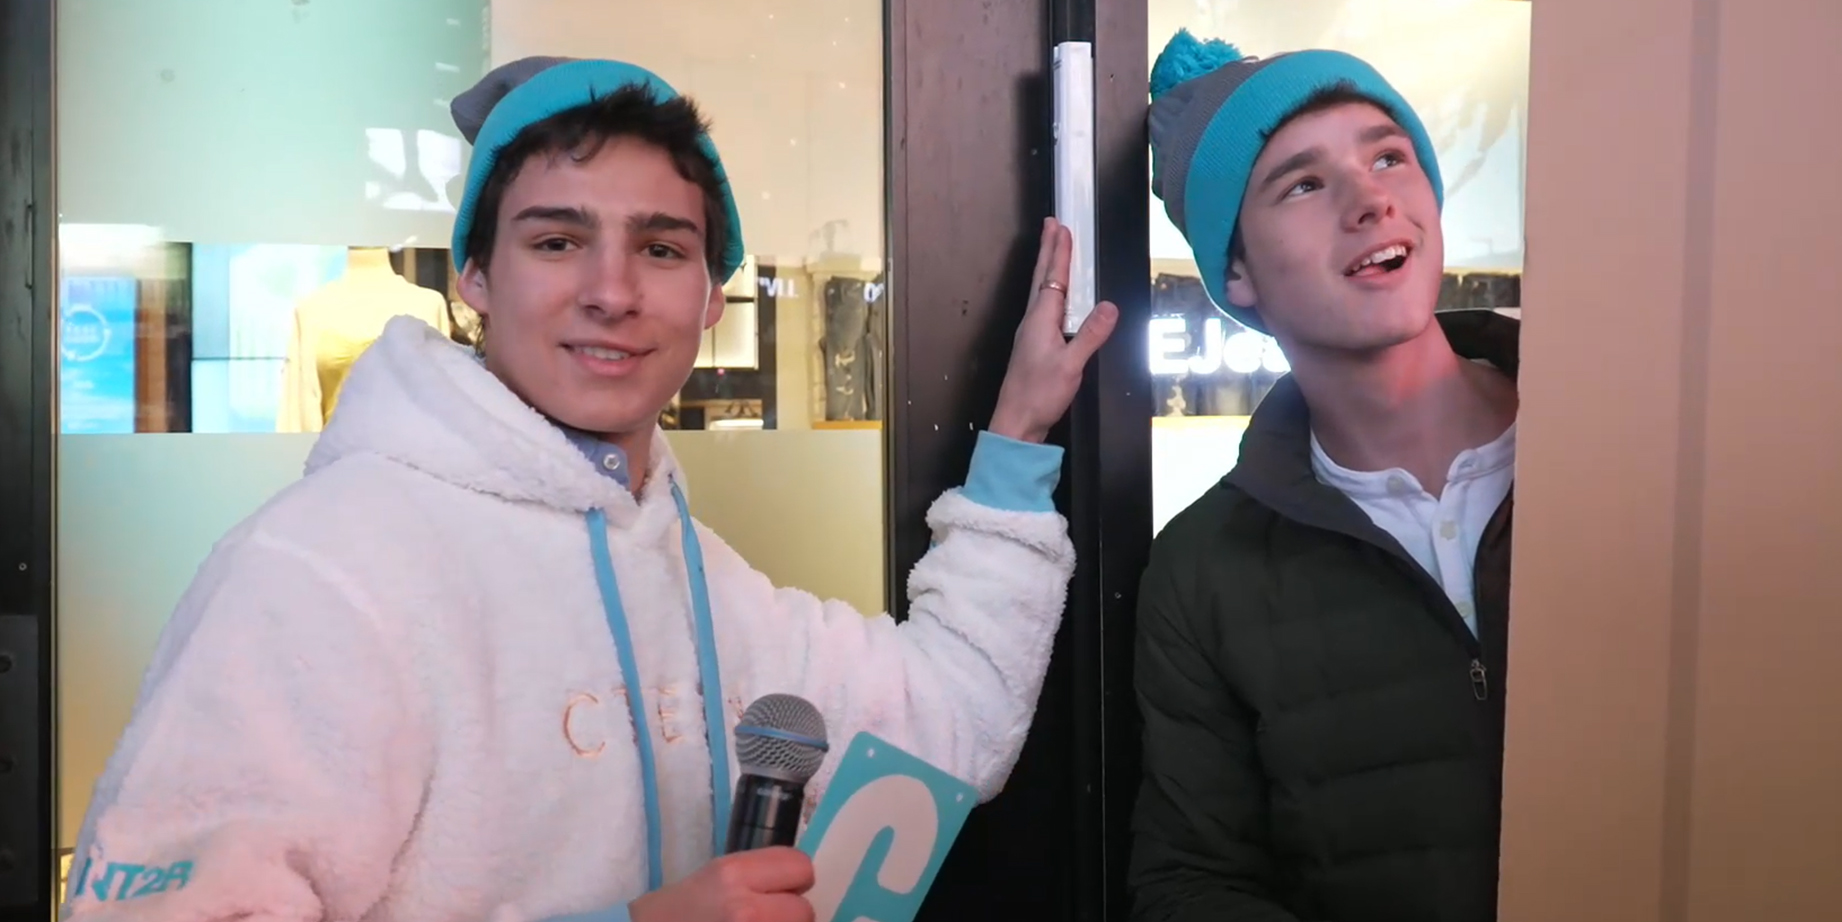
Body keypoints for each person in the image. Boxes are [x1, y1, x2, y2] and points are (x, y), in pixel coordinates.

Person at [61, 56, 1119, 922]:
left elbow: (951, 722)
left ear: (710, 300)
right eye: (558, 240)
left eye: (662, 248)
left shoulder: (694, 576)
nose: (611, 292)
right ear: (472, 275)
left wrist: (1020, 432)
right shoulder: (318, 573)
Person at [1127, 30, 1520, 922]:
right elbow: (1191, 883)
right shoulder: (1203, 571)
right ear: (1237, 271)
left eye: (1388, 155)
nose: (1370, 199)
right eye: (1303, 183)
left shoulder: (1622, 443)